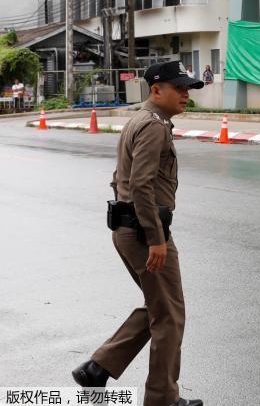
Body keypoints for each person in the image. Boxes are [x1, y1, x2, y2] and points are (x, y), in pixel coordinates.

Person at [72, 60, 204, 406]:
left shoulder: (140, 120)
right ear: (156, 90)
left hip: (130, 229)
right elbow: (141, 186)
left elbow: (121, 178)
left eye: (188, 88)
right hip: (145, 233)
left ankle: (97, 369)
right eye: (179, 88)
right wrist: (156, 238)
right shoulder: (153, 126)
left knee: (160, 306)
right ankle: (162, 399)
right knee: (170, 315)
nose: (186, 94)